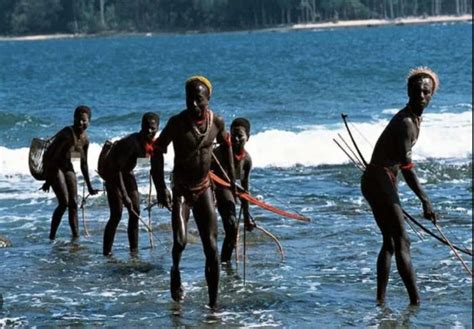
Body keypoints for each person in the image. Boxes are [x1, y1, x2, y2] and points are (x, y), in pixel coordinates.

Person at [151, 76, 235, 308]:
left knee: (212, 248)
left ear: (208, 98)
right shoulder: (177, 123)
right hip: (181, 191)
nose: (193, 105)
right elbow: (157, 151)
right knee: (180, 241)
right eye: (189, 99)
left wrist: (231, 181)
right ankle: (175, 270)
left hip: (204, 188)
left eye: (198, 100)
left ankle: (213, 306)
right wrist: (160, 188)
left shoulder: (216, 122)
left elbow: (226, 146)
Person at [361, 67, 439, 306]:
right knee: (402, 241)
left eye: (426, 92)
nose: (421, 96)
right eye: (417, 91)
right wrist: (425, 200)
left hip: (380, 181)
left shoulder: (415, 118)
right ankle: (416, 301)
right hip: (378, 180)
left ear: (432, 94)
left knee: (391, 242)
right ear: (408, 91)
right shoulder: (405, 122)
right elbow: (407, 167)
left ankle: (380, 300)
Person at [101, 112, 159, 256]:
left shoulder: (151, 142)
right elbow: (117, 169)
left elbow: (149, 162)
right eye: (146, 128)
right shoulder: (131, 143)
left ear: (158, 128)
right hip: (113, 173)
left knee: (135, 211)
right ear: (141, 126)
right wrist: (125, 196)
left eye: (153, 128)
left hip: (126, 172)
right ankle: (106, 253)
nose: (149, 131)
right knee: (117, 214)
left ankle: (134, 251)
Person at [42, 105, 98, 240]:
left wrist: (89, 187)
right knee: (64, 203)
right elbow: (53, 157)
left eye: (84, 121)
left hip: (67, 165)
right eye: (78, 119)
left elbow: (83, 163)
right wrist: (48, 180)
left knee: (73, 203)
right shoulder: (67, 134)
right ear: (73, 119)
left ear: (89, 121)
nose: (80, 123)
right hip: (54, 166)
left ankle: (75, 237)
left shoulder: (85, 139)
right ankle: (52, 236)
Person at [212, 117, 256, 264]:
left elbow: (245, 190)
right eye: (233, 135)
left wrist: (246, 217)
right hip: (215, 188)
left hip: (230, 191)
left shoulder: (247, 160)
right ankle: (223, 263)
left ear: (248, 138)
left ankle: (224, 263)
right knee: (232, 226)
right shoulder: (219, 152)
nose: (236, 139)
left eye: (240, 136)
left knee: (232, 230)